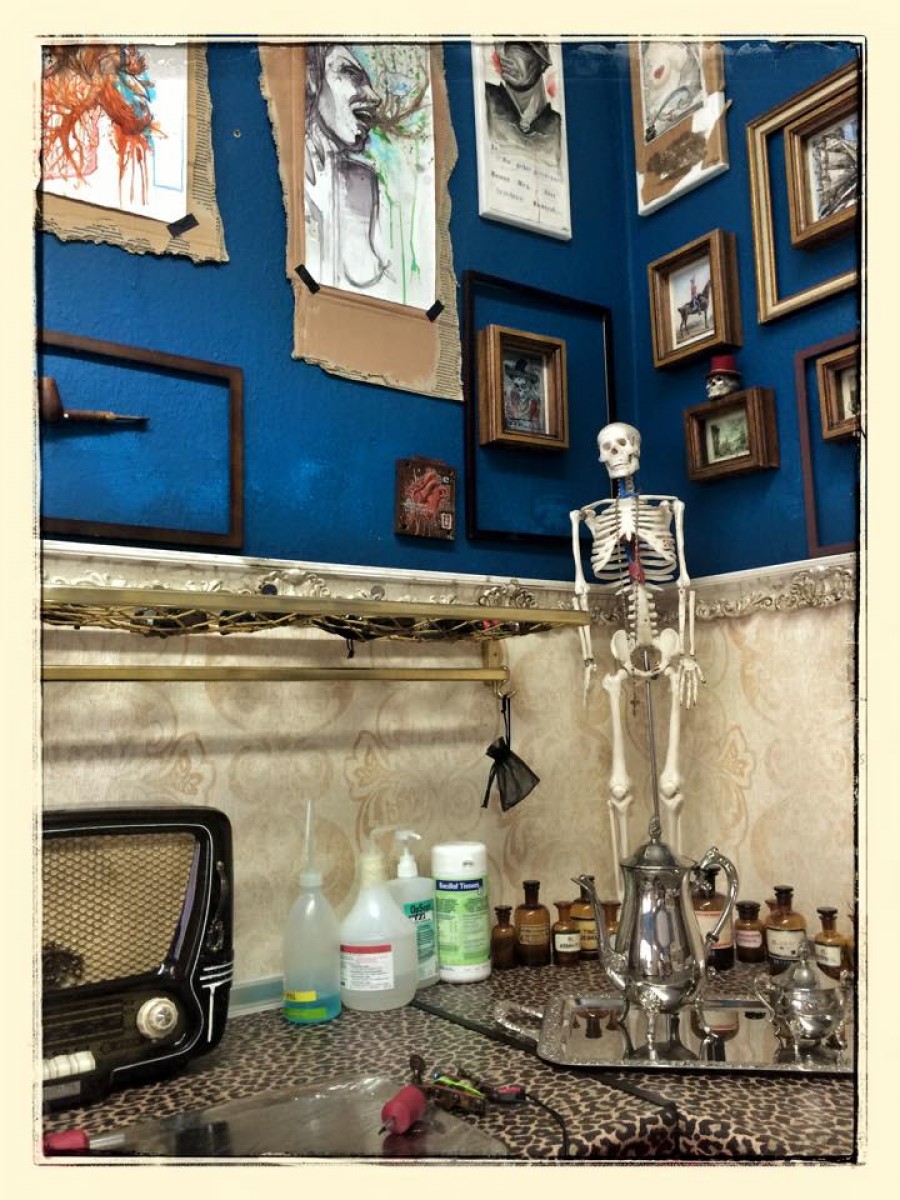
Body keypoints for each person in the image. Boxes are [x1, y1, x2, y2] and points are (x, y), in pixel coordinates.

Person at [304, 44, 391, 292]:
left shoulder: (363, 182)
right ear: (312, 79)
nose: (374, 97)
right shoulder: (286, 179)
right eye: (351, 74)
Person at [484, 41, 562, 166]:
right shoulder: (486, 100)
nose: (501, 55)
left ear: (542, 62)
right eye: (499, 46)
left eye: (516, 46)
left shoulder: (557, 128)